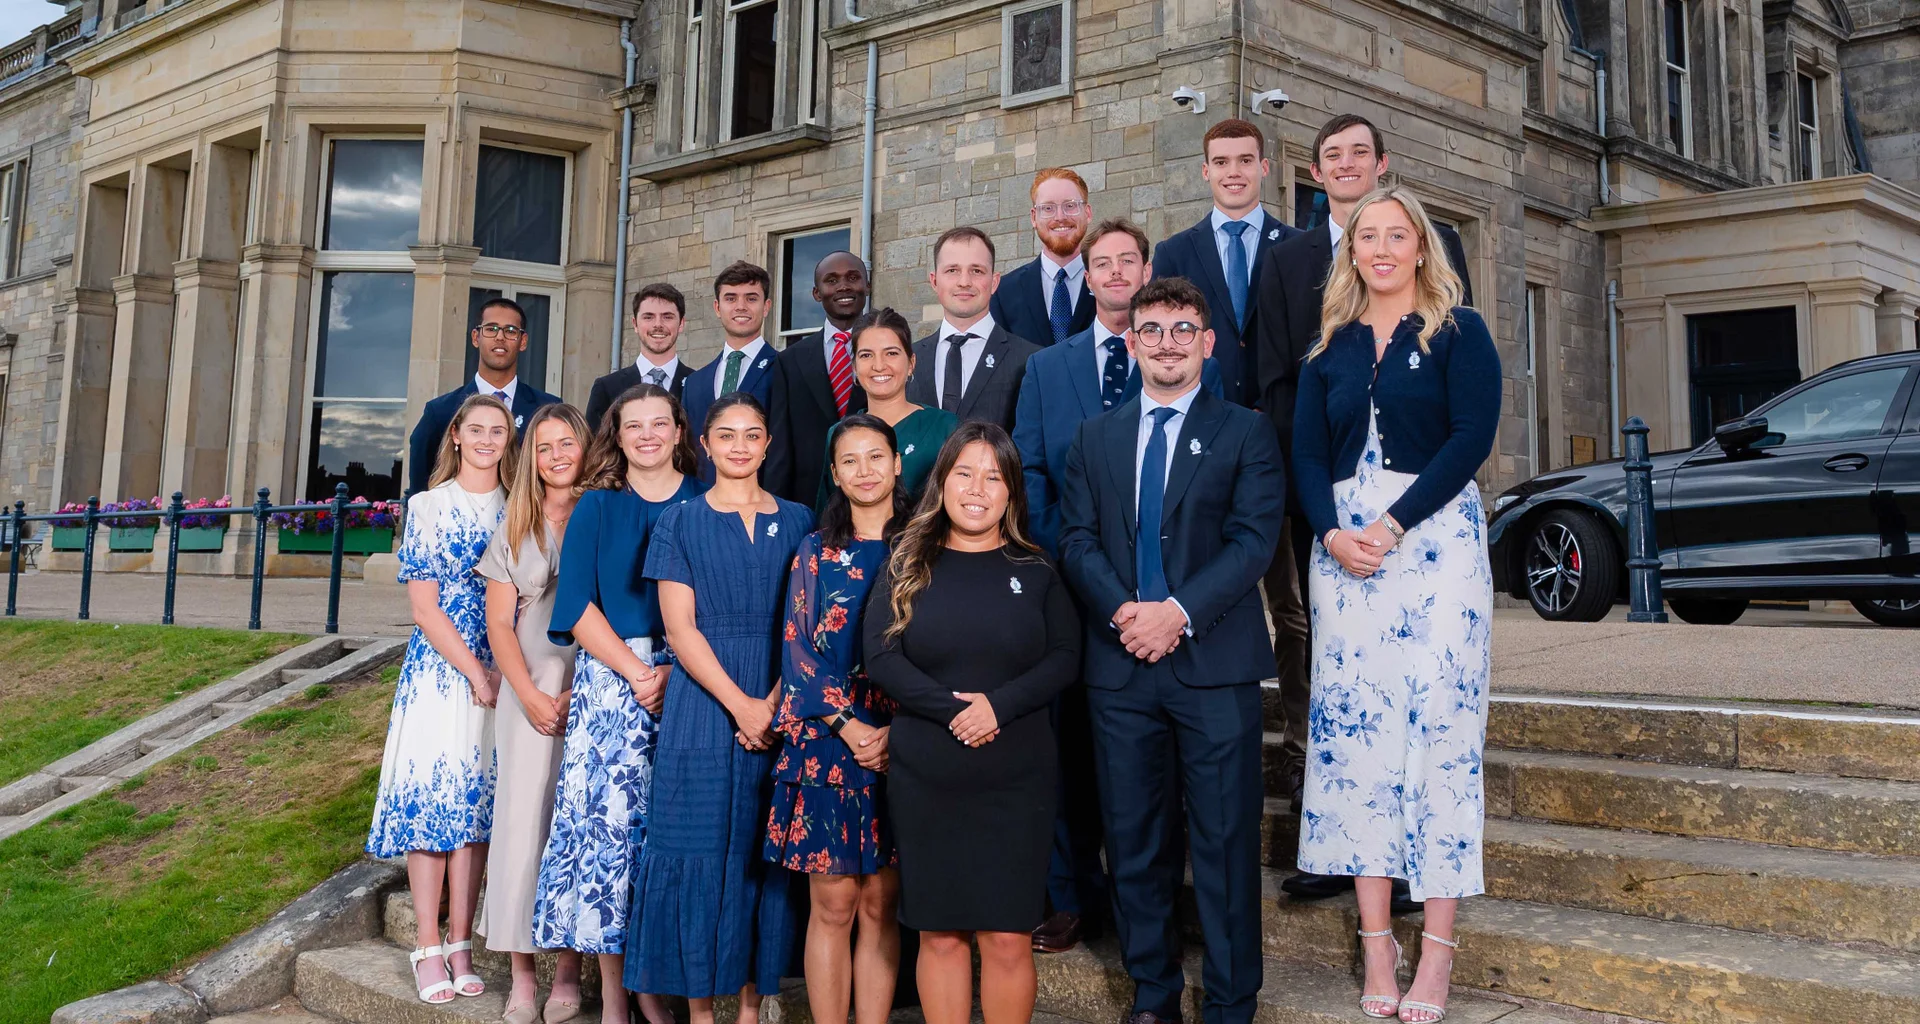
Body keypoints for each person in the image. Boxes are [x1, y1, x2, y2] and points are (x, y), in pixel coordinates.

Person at [1251, 113, 1473, 910]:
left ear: (1382, 165)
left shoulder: (1443, 282)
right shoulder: (1290, 268)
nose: (1345, 166)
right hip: (1325, 502)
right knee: (1332, 680)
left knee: (1416, 688)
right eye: (1330, 156)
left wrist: (1389, 520)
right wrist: (1315, 505)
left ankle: (1416, 855)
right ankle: (1341, 845)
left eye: (1357, 154)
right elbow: (1276, 378)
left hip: (1420, 520)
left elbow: (1462, 413)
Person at [1290, 187, 1499, 1024]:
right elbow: (1305, 452)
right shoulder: (1328, 351)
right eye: (1365, 236)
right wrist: (1335, 533)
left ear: (1421, 247)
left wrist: (1393, 521)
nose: (1380, 248)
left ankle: (1438, 955)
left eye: (1395, 234)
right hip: (1344, 558)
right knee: (1354, 743)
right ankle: (1378, 942)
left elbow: (1470, 437)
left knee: (1441, 738)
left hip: (1436, 545)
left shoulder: (1460, 332)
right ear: (1351, 251)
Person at [1057, 278, 1285, 1024]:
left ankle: (1229, 1002)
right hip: (1121, 670)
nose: (1166, 344)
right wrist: (1127, 612)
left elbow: (1252, 544)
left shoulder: (1246, 433)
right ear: (1131, 342)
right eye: (1151, 330)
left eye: (1182, 330)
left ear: (1207, 342)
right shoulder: (1095, 438)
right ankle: (1152, 995)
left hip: (1214, 669)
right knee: (1134, 844)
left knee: (1223, 846)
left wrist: (1177, 615)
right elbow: (1078, 539)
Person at [864, 425, 1080, 1024]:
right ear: (942, 483)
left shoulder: (1036, 569)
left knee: (1008, 935)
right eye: (964, 473)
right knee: (940, 933)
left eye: (994, 476)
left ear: (1011, 491)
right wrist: (954, 709)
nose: (977, 488)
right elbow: (881, 657)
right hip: (928, 772)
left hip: (1017, 776)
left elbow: (1066, 657)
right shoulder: (906, 561)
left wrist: (998, 706)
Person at [628, 393, 813, 1024]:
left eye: (752, 434)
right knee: (698, 846)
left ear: (767, 445)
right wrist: (742, 707)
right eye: (726, 435)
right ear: (704, 445)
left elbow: (810, 624)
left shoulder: (800, 520)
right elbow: (679, 631)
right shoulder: (679, 521)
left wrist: (776, 701)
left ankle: (752, 1005)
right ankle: (701, 1011)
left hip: (783, 694)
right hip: (704, 704)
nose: (739, 446)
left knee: (762, 856)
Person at [532, 384, 706, 1024]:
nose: (649, 436)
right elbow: (574, 606)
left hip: (694, 678)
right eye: (635, 426)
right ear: (618, 435)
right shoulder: (597, 506)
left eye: (661, 423)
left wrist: (675, 670)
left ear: (680, 431)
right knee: (610, 839)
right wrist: (639, 672)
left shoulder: (705, 502)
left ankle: (662, 982)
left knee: (670, 838)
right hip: (615, 681)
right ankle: (614, 995)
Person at [368, 394, 516, 1005]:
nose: (485, 439)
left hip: (506, 666)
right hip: (443, 671)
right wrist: (478, 672)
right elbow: (424, 608)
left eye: (497, 430)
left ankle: (461, 943)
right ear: (456, 435)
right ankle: (427, 945)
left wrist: (504, 670)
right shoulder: (428, 506)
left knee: (476, 812)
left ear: (510, 439)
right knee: (434, 805)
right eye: (475, 429)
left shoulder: (518, 505)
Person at [768, 413, 911, 1024]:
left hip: (906, 739)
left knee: (882, 902)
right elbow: (797, 648)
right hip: (831, 742)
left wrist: (897, 731)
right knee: (833, 904)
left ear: (897, 462)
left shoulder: (926, 545)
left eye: (875, 457)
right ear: (835, 473)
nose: (865, 471)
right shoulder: (815, 550)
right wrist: (849, 727)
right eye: (850, 460)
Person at [477, 402, 591, 1024]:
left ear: (584, 445)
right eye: (543, 447)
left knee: (573, 822)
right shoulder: (515, 525)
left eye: (565, 443)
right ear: (530, 457)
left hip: (592, 682)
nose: (555, 457)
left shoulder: (603, 509)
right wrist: (529, 695)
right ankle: (523, 973)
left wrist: (579, 694)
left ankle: (568, 971)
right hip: (528, 690)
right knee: (522, 824)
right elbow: (498, 623)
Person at [1149, 118, 1299, 407]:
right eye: (1221, 162)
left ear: (1263, 167)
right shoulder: (1174, 252)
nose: (1233, 172)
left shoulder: (1298, 247)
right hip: (1201, 416)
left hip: (1281, 419)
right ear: (1206, 171)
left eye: (1245, 160)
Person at [409, 297, 561, 496]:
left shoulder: (548, 408)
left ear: (523, 341)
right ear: (475, 337)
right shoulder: (440, 412)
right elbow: (421, 489)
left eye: (510, 331)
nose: (500, 337)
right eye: (491, 329)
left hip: (528, 523)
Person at [812, 308, 958, 513]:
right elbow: (829, 514)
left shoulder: (946, 428)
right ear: (854, 367)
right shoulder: (840, 434)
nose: (879, 366)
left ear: (911, 363)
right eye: (866, 355)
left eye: (891, 353)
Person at [766, 251, 873, 503]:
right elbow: (780, 447)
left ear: (867, 286)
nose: (844, 286)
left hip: (875, 498)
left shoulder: (888, 354)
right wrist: (776, 509)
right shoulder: (789, 360)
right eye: (832, 280)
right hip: (810, 502)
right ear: (816, 293)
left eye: (853, 277)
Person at [907, 227, 1039, 431]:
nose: (964, 282)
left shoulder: (1031, 360)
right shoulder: (908, 360)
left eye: (977, 271)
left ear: (994, 282)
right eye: (952, 270)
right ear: (934, 281)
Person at [683, 262, 781, 478]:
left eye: (751, 298)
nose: (741, 306)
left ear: (766, 306)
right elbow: (687, 454)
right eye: (731, 298)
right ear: (717, 308)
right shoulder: (694, 383)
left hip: (763, 502)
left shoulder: (786, 370)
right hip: (703, 503)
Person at [988, 167, 1097, 347]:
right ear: (1033, 217)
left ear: (1087, 213)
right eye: (1048, 208)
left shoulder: (1111, 283)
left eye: (1070, 206)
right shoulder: (1003, 293)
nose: (1060, 217)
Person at [586, 284, 698, 430]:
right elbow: (595, 449)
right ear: (635, 324)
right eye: (648, 317)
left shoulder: (698, 385)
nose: (658, 324)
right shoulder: (606, 388)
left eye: (667, 317)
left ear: (681, 323)